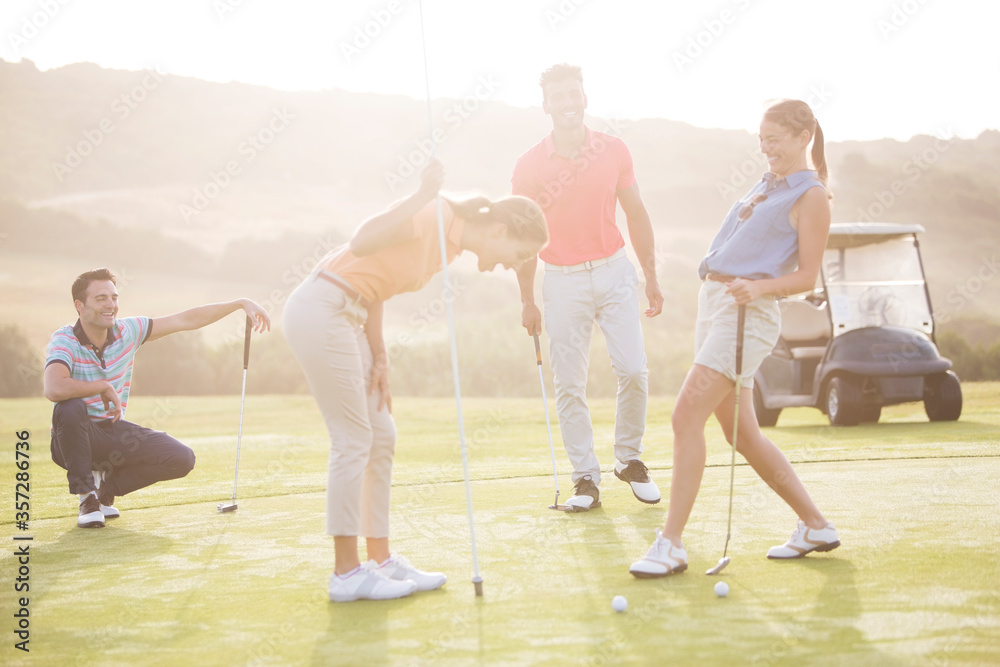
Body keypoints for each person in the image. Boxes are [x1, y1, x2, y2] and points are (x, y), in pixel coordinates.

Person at [282, 159, 549, 603]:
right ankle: (346, 574)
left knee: (382, 434)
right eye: (518, 256)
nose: (510, 266)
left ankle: (381, 560)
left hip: (351, 315)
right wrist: (423, 195)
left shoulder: (454, 246)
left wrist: (380, 354)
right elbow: (363, 243)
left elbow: (376, 288)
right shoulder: (436, 214)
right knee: (353, 438)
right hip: (321, 307)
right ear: (500, 233)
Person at [630, 99, 840, 578]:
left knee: (686, 417)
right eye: (761, 140)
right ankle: (815, 525)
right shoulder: (769, 185)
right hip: (718, 306)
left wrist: (760, 287)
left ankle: (671, 543)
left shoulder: (812, 196)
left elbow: (807, 276)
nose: (765, 149)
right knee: (741, 434)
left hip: (748, 313)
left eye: (775, 140)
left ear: (803, 136)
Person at [512, 64, 664, 512]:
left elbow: (636, 214)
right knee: (570, 385)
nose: (567, 102)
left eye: (573, 93)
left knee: (634, 369)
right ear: (546, 105)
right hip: (561, 279)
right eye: (558, 96)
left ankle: (628, 459)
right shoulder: (529, 165)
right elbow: (524, 236)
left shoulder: (613, 150)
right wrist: (526, 298)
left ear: (584, 98)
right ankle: (585, 479)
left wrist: (651, 275)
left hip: (615, 271)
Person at [44, 268, 271, 529]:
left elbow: (185, 319)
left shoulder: (128, 331)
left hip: (111, 433)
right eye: (101, 298)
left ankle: (106, 489)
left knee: (181, 457)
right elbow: (53, 388)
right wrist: (101, 386)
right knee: (70, 407)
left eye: (114, 297)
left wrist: (239, 303)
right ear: (79, 306)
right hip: (70, 440)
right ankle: (87, 499)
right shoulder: (65, 339)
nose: (111, 305)